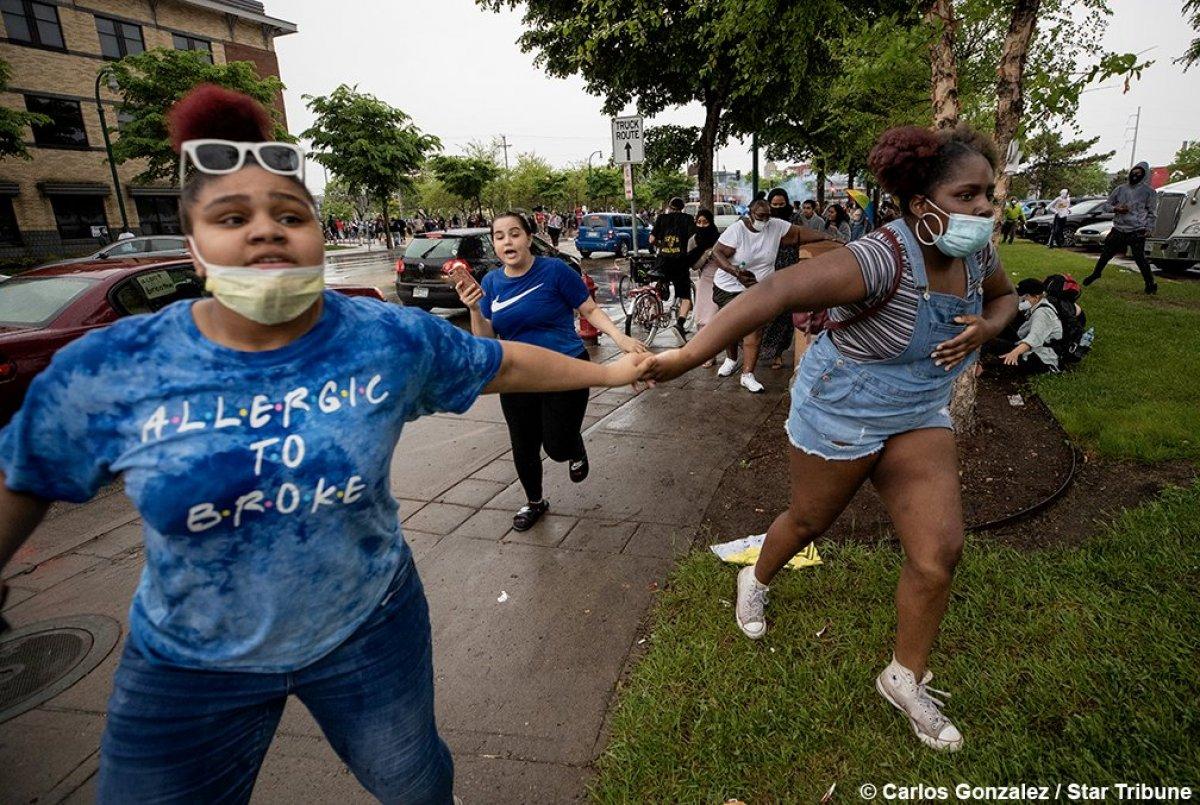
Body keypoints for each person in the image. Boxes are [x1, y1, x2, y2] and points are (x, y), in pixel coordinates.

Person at [0, 86, 652, 804]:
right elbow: (24, 475)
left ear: (314, 234)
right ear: (194, 250)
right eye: (232, 217)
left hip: (370, 628)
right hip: (190, 665)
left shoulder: (381, 338)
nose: (266, 231)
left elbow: (503, 365)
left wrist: (612, 372)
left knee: (415, 785)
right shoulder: (114, 368)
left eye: (290, 215)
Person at [645, 123, 1017, 752]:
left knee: (939, 552)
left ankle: (904, 677)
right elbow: (774, 293)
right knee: (808, 521)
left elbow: (1004, 300)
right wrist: (683, 358)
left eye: (988, 194)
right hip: (843, 407)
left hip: (918, 409)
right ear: (921, 203)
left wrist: (986, 327)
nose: (984, 208)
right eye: (967, 195)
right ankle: (756, 579)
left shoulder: (977, 255)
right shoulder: (879, 258)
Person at [458, 212, 648, 531]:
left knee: (557, 447)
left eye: (515, 233)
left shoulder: (555, 271)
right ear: (494, 244)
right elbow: (486, 338)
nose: (507, 241)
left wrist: (620, 338)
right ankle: (535, 502)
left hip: (566, 368)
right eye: (499, 236)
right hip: (517, 376)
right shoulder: (490, 283)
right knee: (523, 444)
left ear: (529, 238)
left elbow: (589, 309)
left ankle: (573, 446)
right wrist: (475, 309)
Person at [710, 198, 835, 393]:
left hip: (757, 287)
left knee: (754, 328)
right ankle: (731, 359)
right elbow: (717, 253)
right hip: (729, 286)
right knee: (731, 327)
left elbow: (799, 233)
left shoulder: (775, 226)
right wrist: (735, 271)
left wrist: (827, 237)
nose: (765, 220)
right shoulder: (737, 230)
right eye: (761, 216)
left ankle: (747, 374)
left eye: (768, 216)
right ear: (750, 213)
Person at [1083, 161, 1159, 294]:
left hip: (1137, 229)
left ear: (1144, 175)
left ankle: (1150, 284)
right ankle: (1096, 273)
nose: (1135, 175)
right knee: (1106, 254)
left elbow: (1152, 212)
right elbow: (1106, 205)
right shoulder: (1120, 189)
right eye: (1134, 172)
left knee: (1140, 258)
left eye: (1139, 173)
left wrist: (1149, 228)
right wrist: (1116, 209)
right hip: (1119, 228)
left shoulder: (1149, 192)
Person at [760, 188, 800, 370]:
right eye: (774, 205)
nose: (777, 208)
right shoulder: (764, 220)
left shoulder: (795, 219)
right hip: (767, 271)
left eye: (781, 204)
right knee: (767, 314)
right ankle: (761, 349)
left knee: (785, 317)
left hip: (789, 270)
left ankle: (778, 353)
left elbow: (802, 238)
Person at [649, 197, 696, 341]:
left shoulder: (661, 218)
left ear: (669, 207)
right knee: (685, 296)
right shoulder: (688, 219)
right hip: (680, 262)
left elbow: (651, 239)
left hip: (662, 261)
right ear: (682, 208)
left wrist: (661, 245)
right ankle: (680, 324)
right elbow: (693, 240)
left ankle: (652, 310)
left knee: (656, 286)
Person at [994, 278, 1061, 374]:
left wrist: (1014, 353)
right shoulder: (1037, 306)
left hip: (1043, 356)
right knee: (993, 340)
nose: (1022, 299)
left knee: (999, 364)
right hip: (1030, 345)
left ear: (1036, 297)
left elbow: (1033, 339)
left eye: (1025, 296)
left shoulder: (1042, 314)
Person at [686, 209, 721, 367]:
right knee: (703, 319)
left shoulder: (719, 239)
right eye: (699, 222)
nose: (701, 225)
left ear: (711, 222)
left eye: (705, 222)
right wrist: (705, 255)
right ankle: (708, 354)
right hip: (705, 280)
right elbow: (694, 266)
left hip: (723, 279)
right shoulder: (693, 240)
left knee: (718, 319)